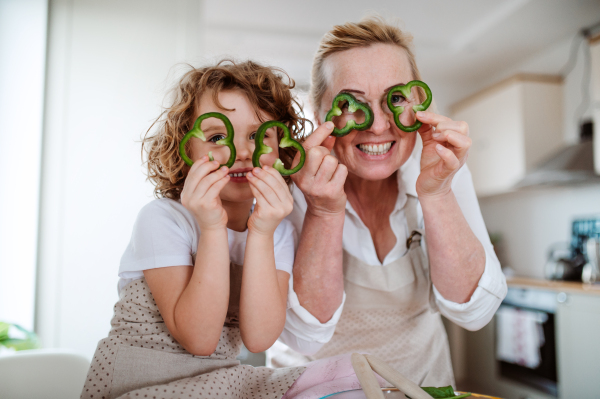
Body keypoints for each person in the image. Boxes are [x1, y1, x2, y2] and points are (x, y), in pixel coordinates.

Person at [80, 59, 394, 399]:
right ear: (186, 150)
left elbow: (259, 338)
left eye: (260, 136)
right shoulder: (163, 219)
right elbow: (199, 339)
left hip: (216, 380)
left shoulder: (277, 231)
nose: (242, 151)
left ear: (282, 150)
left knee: (353, 381)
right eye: (217, 136)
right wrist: (212, 227)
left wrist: (261, 232)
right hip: (144, 380)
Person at [274, 16, 508, 387]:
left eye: (395, 98)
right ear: (320, 116)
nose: (378, 125)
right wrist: (323, 210)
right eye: (352, 103)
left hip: (424, 387)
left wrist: (437, 192)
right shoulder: (287, 189)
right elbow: (305, 334)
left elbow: (475, 313)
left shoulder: (444, 169)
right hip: (316, 392)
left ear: (417, 105)